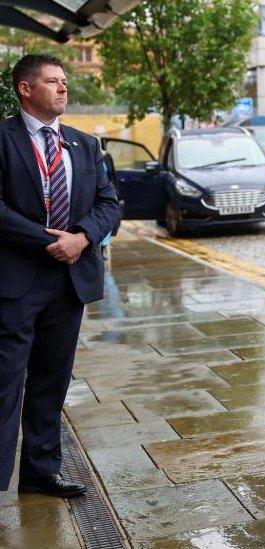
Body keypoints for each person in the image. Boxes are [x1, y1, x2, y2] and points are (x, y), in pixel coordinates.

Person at [0, 53, 121, 497]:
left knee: (52, 378)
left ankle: (40, 471)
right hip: (15, 280)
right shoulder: (3, 138)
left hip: (70, 279)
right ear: (25, 89)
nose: (64, 88)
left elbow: (109, 203)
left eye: (65, 81)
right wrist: (45, 240)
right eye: (53, 81)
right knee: (6, 382)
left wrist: (82, 238)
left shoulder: (84, 144)